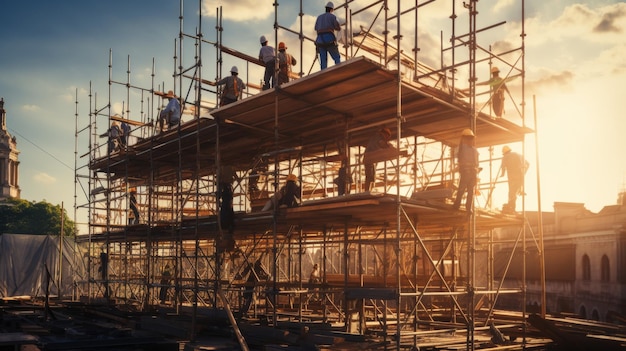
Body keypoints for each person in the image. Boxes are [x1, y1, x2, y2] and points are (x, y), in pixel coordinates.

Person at [452, 128, 479, 213]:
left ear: (463, 138)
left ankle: (457, 205)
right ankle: (469, 208)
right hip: (473, 173)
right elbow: (477, 163)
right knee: (470, 191)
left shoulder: (460, 148)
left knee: (461, 189)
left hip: (466, 172)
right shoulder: (475, 150)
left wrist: (457, 168)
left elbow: (456, 156)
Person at [500, 145, 529, 214]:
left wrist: (502, 174)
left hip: (512, 177)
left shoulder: (505, 157)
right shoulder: (518, 154)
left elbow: (503, 168)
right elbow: (528, 164)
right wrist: (524, 172)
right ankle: (512, 207)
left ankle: (511, 208)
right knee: (515, 193)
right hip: (520, 176)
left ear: (504, 152)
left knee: (511, 193)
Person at [314, 1, 341, 70]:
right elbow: (338, 27)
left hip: (320, 40)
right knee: (336, 57)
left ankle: (323, 75)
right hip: (329, 38)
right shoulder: (332, 16)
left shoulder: (319, 17)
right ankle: (339, 71)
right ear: (332, 9)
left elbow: (316, 28)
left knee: (323, 61)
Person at [363, 128, 392, 192]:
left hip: (371, 159)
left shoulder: (377, 138)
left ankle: (369, 190)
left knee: (372, 177)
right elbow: (382, 144)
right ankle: (367, 191)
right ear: (384, 134)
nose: (387, 138)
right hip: (369, 158)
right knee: (369, 176)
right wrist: (389, 147)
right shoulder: (378, 137)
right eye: (387, 136)